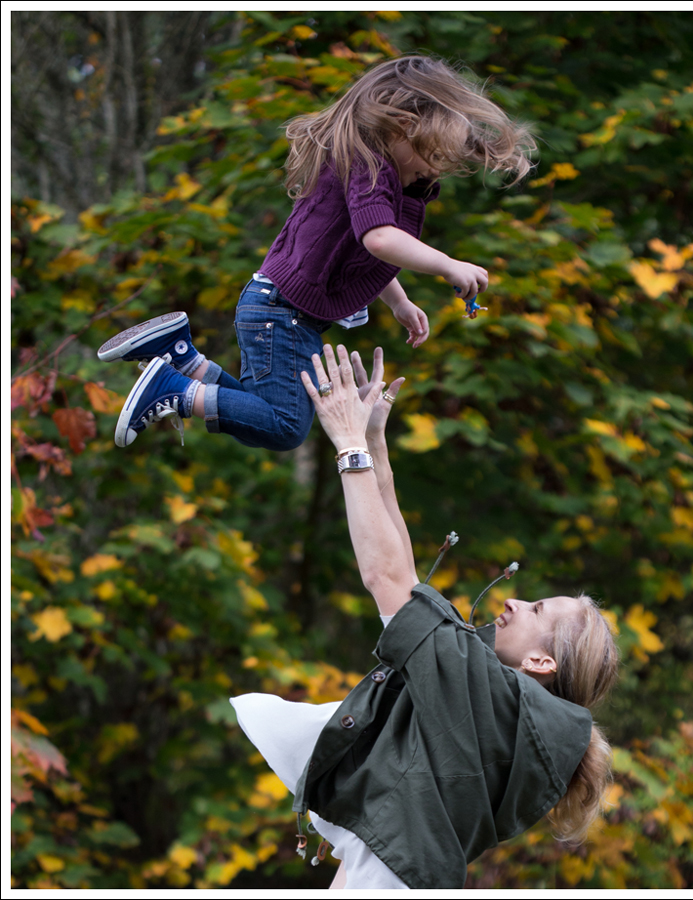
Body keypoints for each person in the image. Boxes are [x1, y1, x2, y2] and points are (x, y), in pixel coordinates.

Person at [229, 345, 619, 889]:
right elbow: (406, 576)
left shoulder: (493, 702)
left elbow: (387, 581)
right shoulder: (497, 708)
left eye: (535, 610)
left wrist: (346, 446)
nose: (513, 602)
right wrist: (373, 446)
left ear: (541, 660)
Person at [98, 55, 535, 450]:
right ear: (403, 125)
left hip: (276, 308)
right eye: (429, 156)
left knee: (259, 416)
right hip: (282, 314)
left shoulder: (372, 167)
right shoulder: (367, 163)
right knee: (285, 425)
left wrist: (399, 301)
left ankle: (182, 362)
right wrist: (447, 265)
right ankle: (171, 388)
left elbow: (363, 252)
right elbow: (380, 239)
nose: (433, 170)